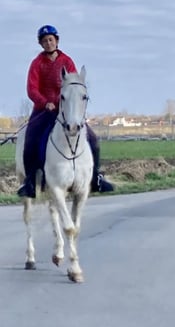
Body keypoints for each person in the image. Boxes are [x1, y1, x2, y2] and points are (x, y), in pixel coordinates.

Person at [17, 25, 115, 198]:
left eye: (51, 40)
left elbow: (75, 86)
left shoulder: (67, 61)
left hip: (67, 111)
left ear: (56, 41)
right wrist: (44, 102)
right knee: (30, 139)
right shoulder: (37, 64)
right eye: (45, 41)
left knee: (93, 139)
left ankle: (96, 177)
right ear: (41, 44)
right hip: (44, 111)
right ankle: (30, 182)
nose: (48, 43)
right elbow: (31, 89)